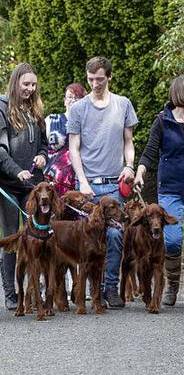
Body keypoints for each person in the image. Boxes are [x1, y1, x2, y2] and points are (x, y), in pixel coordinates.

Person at [67, 56, 137, 308]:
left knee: (116, 235)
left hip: (114, 184)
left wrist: (129, 166)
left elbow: (128, 141)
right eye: (90, 79)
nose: (95, 83)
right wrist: (82, 182)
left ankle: (110, 287)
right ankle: (88, 289)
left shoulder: (123, 104)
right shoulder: (78, 109)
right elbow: (73, 148)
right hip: (88, 186)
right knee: (88, 238)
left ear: (108, 77)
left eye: (99, 78)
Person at [0, 62, 48, 310]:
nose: (30, 89)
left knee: (36, 237)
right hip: (10, 185)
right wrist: (17, 171)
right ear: (15, 83)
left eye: (33, 84)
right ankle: (11, 293)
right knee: (11, 237)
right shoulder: (0, 108)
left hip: (33, 185)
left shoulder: (35, 109)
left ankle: (35, 290)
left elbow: (44, 143)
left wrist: (42, 156)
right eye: (26, 84)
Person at [134, 75, 184, 306]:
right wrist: (139, 172)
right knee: (172, 240)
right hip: (171, 189)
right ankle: (172, 283)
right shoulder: (163, 121)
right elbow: (150, 152)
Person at [44, 83, 86, 196]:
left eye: (77, 98)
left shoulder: (89, 124)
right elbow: (40, 147)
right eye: (70, 97)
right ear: (64, 100)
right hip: (52, 182)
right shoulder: (51, 120)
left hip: (79, 182)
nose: (73, 100)